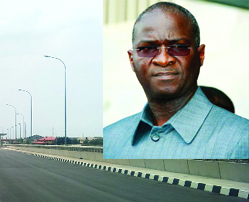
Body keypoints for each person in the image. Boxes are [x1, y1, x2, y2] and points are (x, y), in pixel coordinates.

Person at [103, 2, 249, 159]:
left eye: (179, 47)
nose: (163, 59)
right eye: (147, 49)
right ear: (132, 60)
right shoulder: (109, 141)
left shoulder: (242, 140)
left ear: (200, 55)